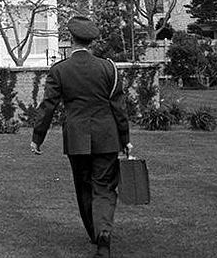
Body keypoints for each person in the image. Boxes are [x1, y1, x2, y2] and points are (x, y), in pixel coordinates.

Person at [31, 16, 131, 258]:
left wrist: (37, 137)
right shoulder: (108, 67)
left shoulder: (60, 70)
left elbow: (48, 106)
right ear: (91, 41)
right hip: (107, 137)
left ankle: (96, 234)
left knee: (84, 187)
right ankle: (103, 233)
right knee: (105, 187)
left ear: (71, 39)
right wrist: (125, 137)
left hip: (76, 138)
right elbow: (119, 107)